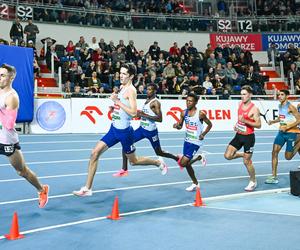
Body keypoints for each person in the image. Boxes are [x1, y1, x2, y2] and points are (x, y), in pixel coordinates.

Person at [73, 63, 168, 196]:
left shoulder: (131, 90)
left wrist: (117, 102)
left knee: (133, 161)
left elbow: (134, 113)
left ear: (131, 76)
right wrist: (115, 108)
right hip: (114, 129)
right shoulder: (122, 87)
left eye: (124, 74)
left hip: (125, 133)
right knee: (94, 153)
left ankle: (157, 162)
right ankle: (88, 188)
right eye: (120, 73)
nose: (121, 76)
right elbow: (124, 108)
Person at [0, 64, 49, 208]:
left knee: (21, 171)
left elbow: (9, 124)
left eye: (2, 75)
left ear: (11, 77)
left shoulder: (11, 97)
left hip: (7, 140)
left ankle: (42, 189)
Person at [113, 83, 178, 177]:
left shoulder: (155, 103)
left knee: (159, 152)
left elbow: (160, 119)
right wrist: (139, 114)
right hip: (141, 129)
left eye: (150, 89)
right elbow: (145, 114)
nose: (147, 91)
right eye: (147, 89)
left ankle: (176, 158)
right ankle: (124, 169)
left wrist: (142, 115)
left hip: (151, 132)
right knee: (126, 143)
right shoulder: (147, 100)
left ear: (155, 91)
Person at [224, 85, 261, 192]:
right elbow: (240, 119)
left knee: (247, 162)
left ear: (250, 95)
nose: (242, 97)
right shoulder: (239, 104)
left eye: (244, 94)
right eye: (241, 94)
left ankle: (253, 181)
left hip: (249, 138)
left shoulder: (254, 109)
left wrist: (246, 121)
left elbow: (258, 125)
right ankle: (243, 155)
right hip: (238, 135)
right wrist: (237, 125)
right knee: (227, 156)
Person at [173, 93, 212, 191]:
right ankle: (195, 182)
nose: (188, 103)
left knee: (182, 163)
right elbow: (180, 126)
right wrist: (176, 126)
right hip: (187, 141)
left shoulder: (200, 114)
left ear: (195, 102)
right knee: (186, 164)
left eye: (190, 101)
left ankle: (199, 160)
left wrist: (203, 134)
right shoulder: (183, 113)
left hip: (196, 142)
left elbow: (210, 125)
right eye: (187, 100)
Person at [265, 90, 300, 183]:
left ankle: (298, 144)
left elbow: (298, 120)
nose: (279, 96)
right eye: (278, 95)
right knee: (274, 152)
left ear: (287, 96)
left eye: (282, 95)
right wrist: (273, 121)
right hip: (281, 133)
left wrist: (287, 127)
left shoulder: (291, 107)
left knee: (288, 157)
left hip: (291, 133)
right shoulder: (280, 105)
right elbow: (281, 118)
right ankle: (274, 176)